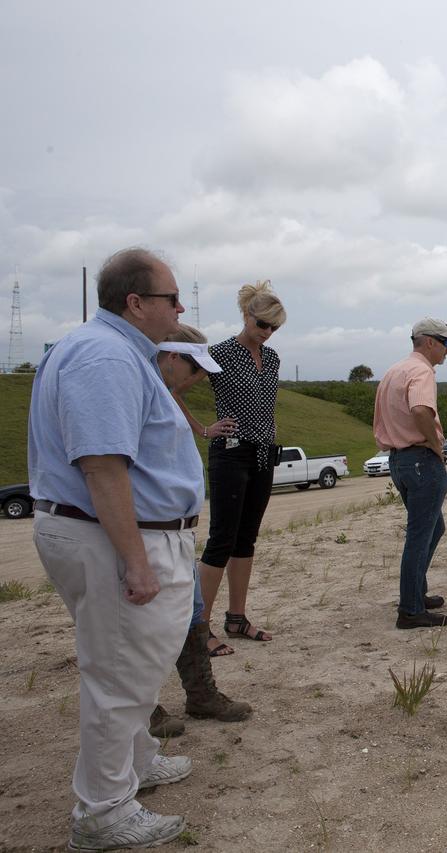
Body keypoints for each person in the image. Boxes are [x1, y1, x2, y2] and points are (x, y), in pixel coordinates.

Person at [28, 248, 199, 849]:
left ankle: (135, 763)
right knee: (120, 674)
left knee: (134, 662)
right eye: (171, 298)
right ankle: (102, 811)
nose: (180, 309)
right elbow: (102, 467)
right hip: (116, 538)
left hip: (117, 534)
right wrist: (135, 561)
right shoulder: (104, 356)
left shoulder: (117, 351)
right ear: (135, 302)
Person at [148, 325, 252, 738]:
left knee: (190, 613)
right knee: (146, 623)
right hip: (150, 528)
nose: (201, 378)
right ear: (172, 358)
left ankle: (201, 693)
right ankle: (146, 707)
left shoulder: (164, 393)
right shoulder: (143, 391)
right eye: (196, 369)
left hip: (176, 529)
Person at [194, 281, 286, 655]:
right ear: (247, 316)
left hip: (263, 454)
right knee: (221, 539)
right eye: (262, 324)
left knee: (246, 538)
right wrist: (202, 429)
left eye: (273, 328)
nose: (266, 333)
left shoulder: (273, 358)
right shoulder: (219, 354)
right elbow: (168, 387)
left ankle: (237, 618)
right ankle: (197, 628)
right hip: (229, 452)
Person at [373, 317, 447, 629]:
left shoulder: (395, 370)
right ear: (430, 342)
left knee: (433, 529)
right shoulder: (422, 371)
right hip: (421, 458)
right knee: (420, 536)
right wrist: (437, 446)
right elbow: (421, 410)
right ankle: (410, 610)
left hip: (399, 460)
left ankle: (415, 593)